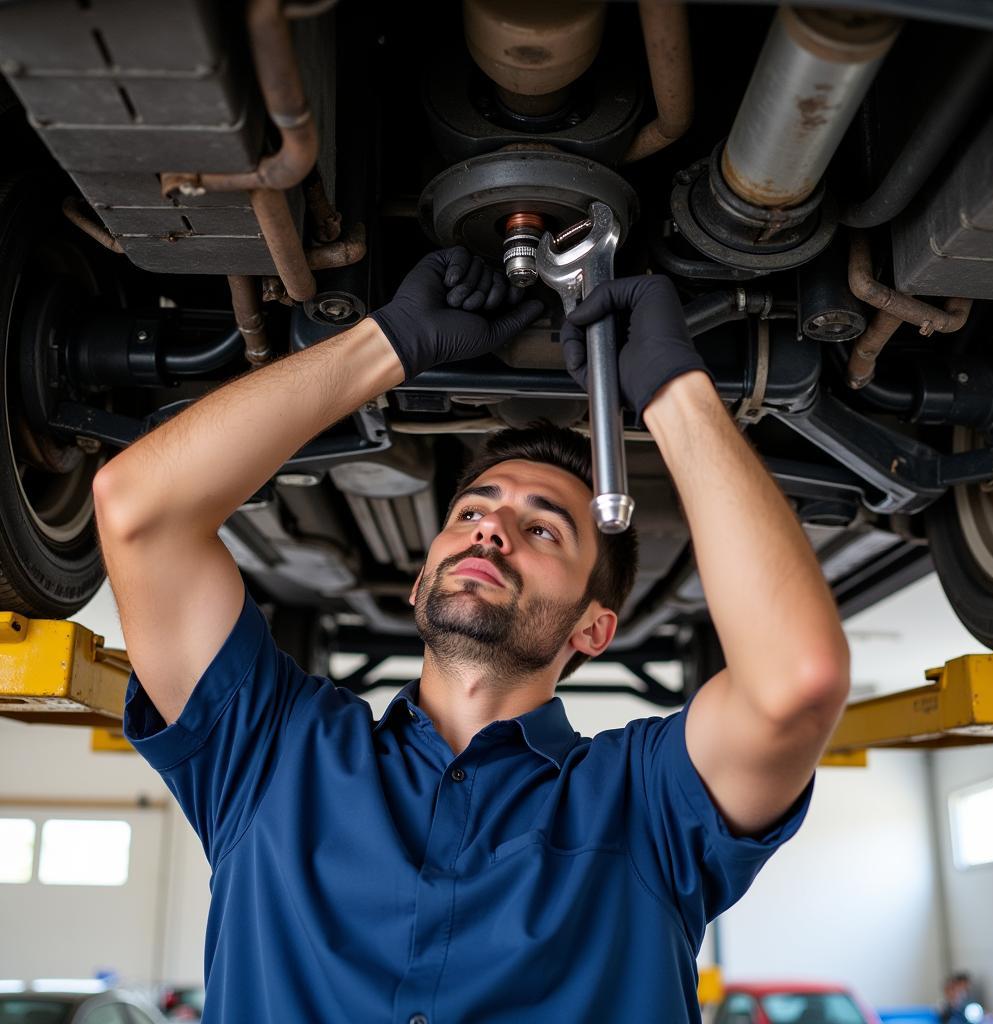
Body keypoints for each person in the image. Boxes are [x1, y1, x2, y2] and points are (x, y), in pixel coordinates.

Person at [93, 247, 851, 1024]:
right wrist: (385, 343)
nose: (492, 531)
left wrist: (672, 389)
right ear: (422, 581)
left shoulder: (643, 804)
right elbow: (137, 509)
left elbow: (795, 682)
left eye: (544, 531)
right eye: (471, 512)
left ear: (594, 627)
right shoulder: (272, 753)